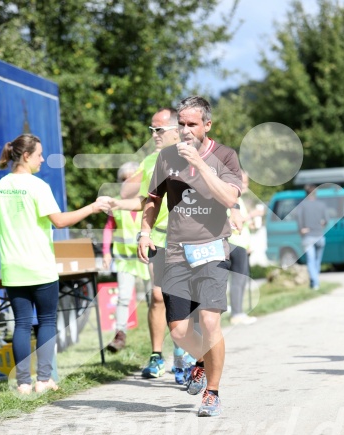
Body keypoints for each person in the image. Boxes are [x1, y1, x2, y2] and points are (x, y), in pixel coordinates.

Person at [138, 96, 242, 417]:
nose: (184, 130)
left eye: (191, 124)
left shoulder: (225, 156)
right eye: (180, 124)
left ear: (207, 125)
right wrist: (144, 231)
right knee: (180, 331)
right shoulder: (166, 157)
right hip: (175, 252)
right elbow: (153, 199)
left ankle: (212, 392)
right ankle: (201, 360)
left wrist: (199, 163)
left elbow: (228, 197)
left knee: (210, 321)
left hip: (212, 248)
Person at [0, 134, 110, 395]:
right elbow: (60, 221)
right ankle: (44, 380)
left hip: (13, 268)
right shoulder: (38, 187)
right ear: (26, 156)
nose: (42, 159)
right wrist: (92, 207)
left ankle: (23, 383)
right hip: (40, 266)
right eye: (39, 155)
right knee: (46, 321)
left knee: (22, 323)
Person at [111, 108, 195, 382]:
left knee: (183, 299)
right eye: (151, 130)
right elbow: (146, 201)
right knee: (157, 296)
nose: (154, 135)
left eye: (158, 130)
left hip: (188, 238)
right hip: (158, 237)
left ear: (175, 130)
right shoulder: (150, 160)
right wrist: (117, 204)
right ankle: (157, 355)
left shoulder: (194, 156)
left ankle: (183, 356)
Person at [103, 161, 151, 352]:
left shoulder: (148, 199)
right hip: (124, 259)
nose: (127, 182)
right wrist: (106, 252)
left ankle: (159, 336)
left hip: (146, 256)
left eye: (131, 178)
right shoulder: (116, 203)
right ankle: (120, 335)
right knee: (123, 297)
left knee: (153, 299)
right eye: (123, 180)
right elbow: (108, 228)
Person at [228, 170, 257, 325]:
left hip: (242, 244)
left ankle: (239, 312)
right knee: (238, 280)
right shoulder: (231, 200)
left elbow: (242, 222)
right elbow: (231, 222)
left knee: (242, 279)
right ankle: (236, 314)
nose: (246, 186)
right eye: (243, 182)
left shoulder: (240, 200)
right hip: (234, 243)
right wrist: (252, 215)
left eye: (247, 182)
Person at [294, 184, 329, 290]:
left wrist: (301, 229)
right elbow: (326, 220)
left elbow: (298, 218)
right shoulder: (321, 205)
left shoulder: (302, 205)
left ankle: (315, 283)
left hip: (308, 236)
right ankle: (315, 280)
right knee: (317, 261)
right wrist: (320, 225)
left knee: (310, 260)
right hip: (320, 235)